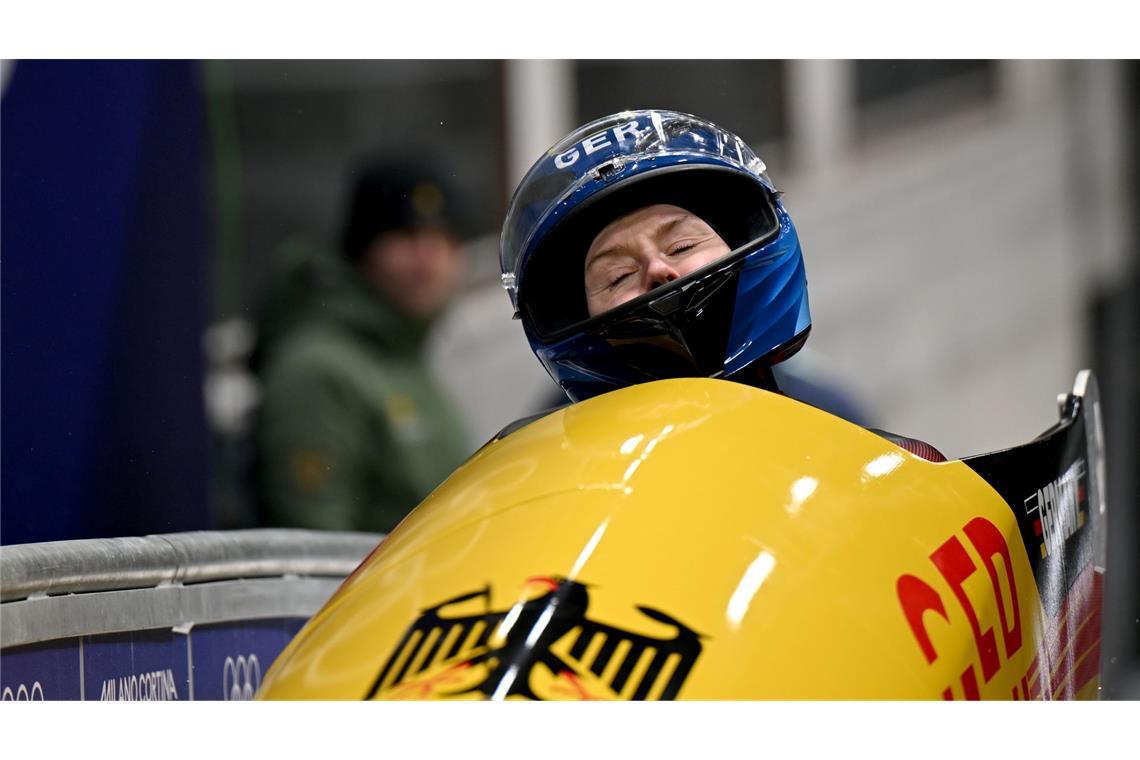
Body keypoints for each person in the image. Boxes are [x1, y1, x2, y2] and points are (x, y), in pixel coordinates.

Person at [499, 109, 942, 460]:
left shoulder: (866, 449)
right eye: (618, 276)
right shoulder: (551, 467)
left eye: (681, 246)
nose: (658, 270)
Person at [253, 159, 472, 533]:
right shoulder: (320, 371)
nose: (429, 261)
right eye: (407, 237)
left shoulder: (403, 357)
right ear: (364, 251)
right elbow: (316, 544)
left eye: (444, 240)